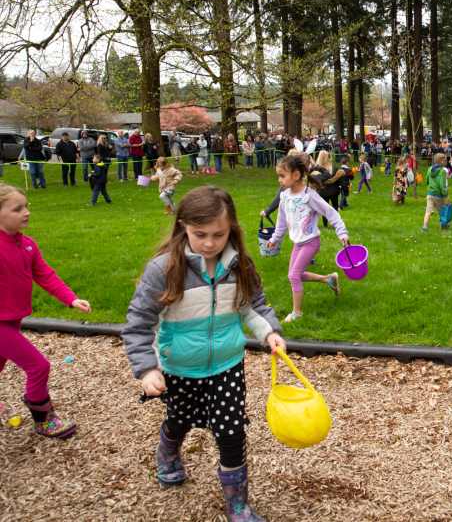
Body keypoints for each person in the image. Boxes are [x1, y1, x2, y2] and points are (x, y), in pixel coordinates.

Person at [122, 186, 284, 520]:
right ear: (183, 226)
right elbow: (139, 325)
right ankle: (168, 449)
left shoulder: (239, 264)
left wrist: (269, 332)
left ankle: (237, 505)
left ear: (231, 230)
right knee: (180, 420)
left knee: (231, 432)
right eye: (200, 234)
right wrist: (148, 369)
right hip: (179, 368)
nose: (210, 243)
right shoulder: (163, 269)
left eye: (219, 234)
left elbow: (252, 306)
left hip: (227, 365)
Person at [0, 184, 92, 437]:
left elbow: (45, 275)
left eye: (26, 206)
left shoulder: (27, 244)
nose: (26, 212)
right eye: (17, 209)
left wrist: (71, 300)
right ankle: (43, 419)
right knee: (38, 367)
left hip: (12, 320)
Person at [266, 155, 349, 322]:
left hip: (311, 242)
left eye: (282, 176)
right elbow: (282, 222)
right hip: (298, 243)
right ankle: (328, 279)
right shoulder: (284, 197)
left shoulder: (309, 196)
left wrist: (342, 232)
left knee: (294, 276)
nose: (279, 180)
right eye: (278, 176)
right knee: (293, 275)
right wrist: (275, 238)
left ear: (296, 175)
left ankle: (297, 313)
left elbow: (330, 212)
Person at [313, 151, 344, 224]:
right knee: (335, 207)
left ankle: (325, 225)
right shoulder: (335, 169)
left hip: (322, 192)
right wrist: (345, 191)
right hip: (334, 191)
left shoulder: (315, 171)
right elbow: (341, 181)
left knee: (325, 209)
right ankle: (335, 223)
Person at [422, 153, 450, 231]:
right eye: (445, 161)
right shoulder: (442, 171)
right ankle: (443, 226)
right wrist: (445, 194)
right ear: (442, 162)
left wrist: (431, 186)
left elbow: (427, 180)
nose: (446, 162)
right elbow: (442, 184)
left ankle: (425, 226)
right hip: (438, 195)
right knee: (441, 211)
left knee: (428, 210)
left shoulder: (429, 169)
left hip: (430, 193)